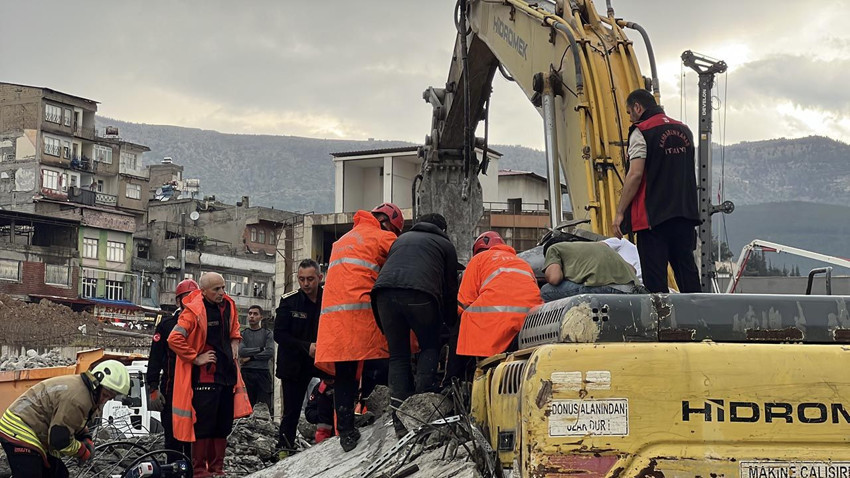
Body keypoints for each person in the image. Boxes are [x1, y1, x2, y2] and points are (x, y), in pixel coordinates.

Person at [314, 202, 403, 452]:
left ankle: (346, 430)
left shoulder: (342, 240)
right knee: (378, 365)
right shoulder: (383, 237)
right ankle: (378, 416)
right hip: (364, 315)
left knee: (345, 375)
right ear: (388, 224)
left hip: (335, 321)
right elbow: (403, 264)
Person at [372, 213, 458, 438]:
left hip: (382, 295)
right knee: (429, 345)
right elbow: (450, 290)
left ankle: (399, 422)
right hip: (420, 294)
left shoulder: (401, 240)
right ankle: (422, 410)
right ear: (443, 228)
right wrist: (449, 324)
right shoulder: (445, 245)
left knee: (398, 355)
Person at [613, 88, 701, 293]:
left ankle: (661, 324)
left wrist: (620, 213)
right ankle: (701, 320)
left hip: (653, 219)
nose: (630, 118)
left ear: (638, 107)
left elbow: (635, 174)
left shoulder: (641, 131)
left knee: (656, 285)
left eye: (629, 112)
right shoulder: (684, 130)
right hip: (684, 215)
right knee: (688, 276)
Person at [168, 272, 252, 478]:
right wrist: (196, 358)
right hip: (205, 378)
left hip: (226, 376)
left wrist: (235, 342)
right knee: (204, 425)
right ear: (203, 291)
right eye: (217, 289)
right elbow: (174, 338)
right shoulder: (193, 311)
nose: (222, 292)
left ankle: (217, 469)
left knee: (222, 424)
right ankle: (199, 470)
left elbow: (235, 328)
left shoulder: (228, 306)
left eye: (223, 288)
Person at [0, 360, 130, 477]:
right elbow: (59, 439)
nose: (104, 401)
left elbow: (73, 422)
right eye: (105, 395)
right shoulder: (78, 399)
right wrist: (82, 451)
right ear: (97, 386)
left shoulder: (87, 394)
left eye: (110, 397)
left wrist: (86, 437)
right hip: (18, 426)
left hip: (35, 429)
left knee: (59, 474)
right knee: (31, 473)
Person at [456, 231, 542, 358]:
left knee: (460, 324)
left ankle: (454, 376)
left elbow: (463, 302)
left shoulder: (478, 260)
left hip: (492, 325)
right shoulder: (523, 263)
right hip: (527, 324)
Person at [274, 258, 326, 451]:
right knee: (291, 411)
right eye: (302, 279)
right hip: (294, 364)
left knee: (331, 402)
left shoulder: (328, 297)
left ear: (319, 277)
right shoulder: (289, 301)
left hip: (322, 361)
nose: (306, 284)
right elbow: (279, 334)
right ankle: (284, 449)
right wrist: (306, 346)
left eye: (310, 279)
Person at [147, 278, 198, 465]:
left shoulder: (202, 324)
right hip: (171, 390)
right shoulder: (167, 325)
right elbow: (155, 358)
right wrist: (153, 388)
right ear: (178, 301)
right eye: (187, 297)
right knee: (173, 441)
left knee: (195, 441)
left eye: (195, 296)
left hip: (196, 391)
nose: (192, 300)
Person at [540, 238, 640, 302]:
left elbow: (554, 278)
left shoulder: (553, 249)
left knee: (546, 291)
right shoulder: (597, 246)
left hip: (609, 289)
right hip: (633, 290)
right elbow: (632, 269)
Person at [239, 305, 274, 413]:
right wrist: (260, 348)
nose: (251, 316)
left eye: (255, 314)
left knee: (263, 408)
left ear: (261, 317)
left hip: (262, 373)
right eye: (250, 313)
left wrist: (250, 358)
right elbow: (242, 351)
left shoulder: (267, 333)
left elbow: (269, 352)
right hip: (247, 374)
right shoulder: (243, 334)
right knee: (246, 407)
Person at [304, 378, 335, 444]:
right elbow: (309, 411)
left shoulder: (345, 384)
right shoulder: (320, 388)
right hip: (324, 429)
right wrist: (320, 416)